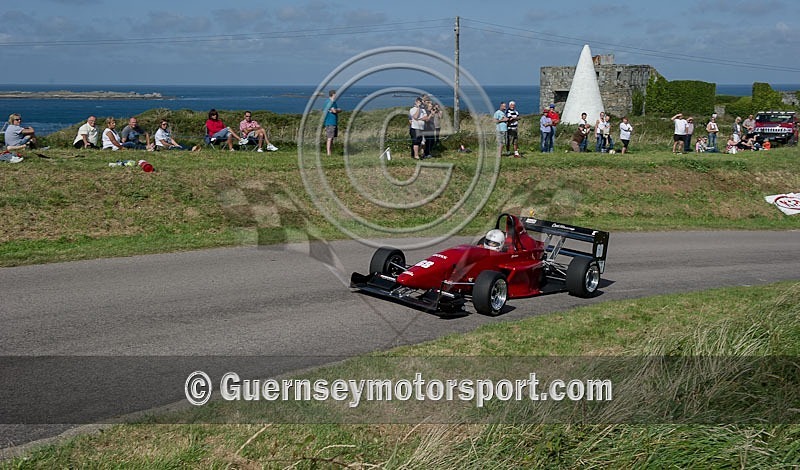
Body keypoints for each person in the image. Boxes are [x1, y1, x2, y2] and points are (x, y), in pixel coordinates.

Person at [323, 90, 341, 156]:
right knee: (329, 138)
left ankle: (330, 152)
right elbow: (334, 111)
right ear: (333, 94)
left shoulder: (333, 102)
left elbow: (335, 110)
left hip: (333, 122)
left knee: (332, 137)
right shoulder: (329, 102)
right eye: (336, 94)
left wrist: (337, 110)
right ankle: (328, 153)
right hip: (330, 121)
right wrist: (338, 110)